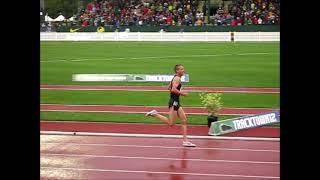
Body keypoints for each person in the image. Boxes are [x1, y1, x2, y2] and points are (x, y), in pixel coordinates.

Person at [145, 64, 196, 147]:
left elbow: (168, 87)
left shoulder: (175, 77)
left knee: (184, 120)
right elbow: (172, 89)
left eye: (183, 69)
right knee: (171, 123)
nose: (183, 70)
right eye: (181, 69)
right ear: (177, 71)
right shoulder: (177, 78)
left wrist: (175, 94)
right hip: (174, 102)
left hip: (176, 101)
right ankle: (155, 113)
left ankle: (185, 141)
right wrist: (183, 93)